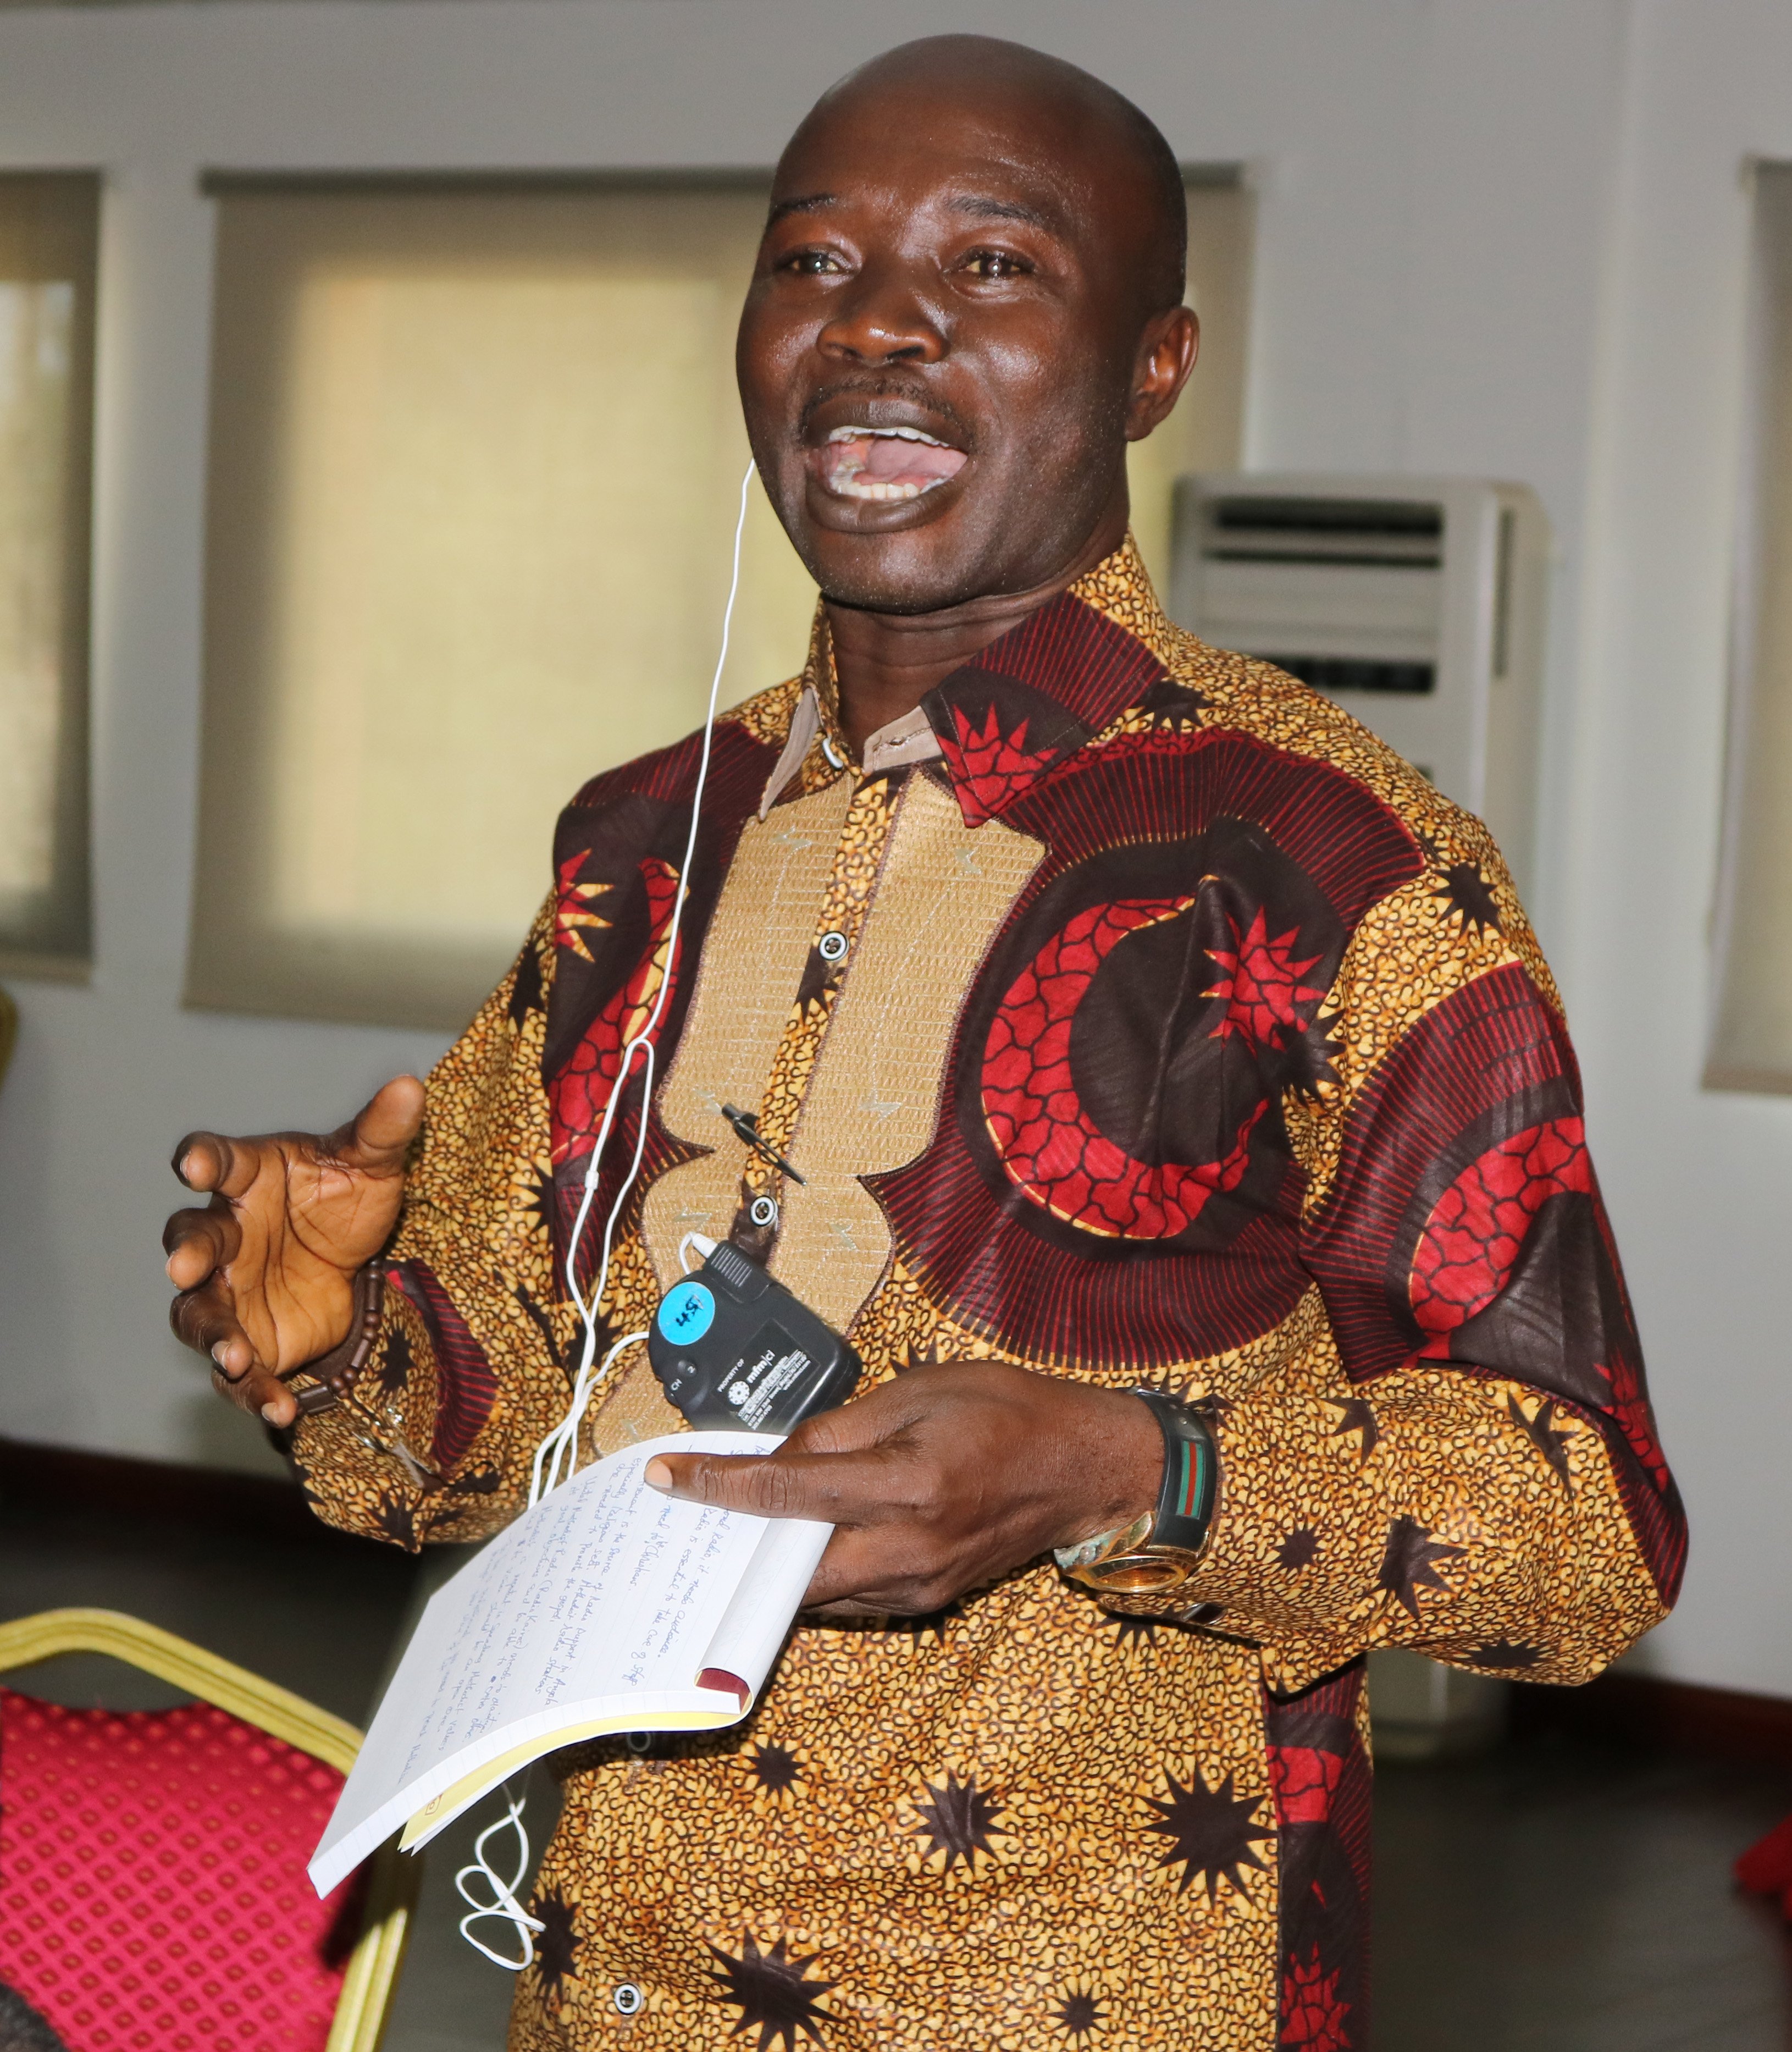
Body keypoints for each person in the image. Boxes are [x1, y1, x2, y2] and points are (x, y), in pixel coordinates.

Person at [162, 35, 1684, 2050]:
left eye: (990, 267)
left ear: (1152, 366)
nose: (876, 324)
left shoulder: (1328, 860)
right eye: (812, 263)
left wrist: (1129, 1470)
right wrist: (347, 1327)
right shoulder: (643, 835)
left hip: (1095, 1994)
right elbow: (499, 1427)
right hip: (610, 1992)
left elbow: (1584, 1522)